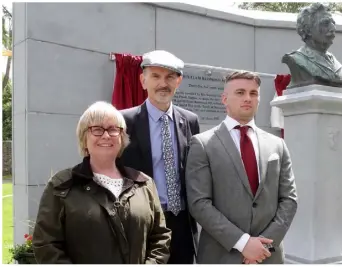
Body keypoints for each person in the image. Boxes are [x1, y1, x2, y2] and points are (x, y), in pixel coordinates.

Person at [32, 101, 171, 264]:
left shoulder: (144, 184)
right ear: (84, 138)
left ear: (122, 138)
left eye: (113, 129)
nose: (106, 135)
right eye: (97, 129)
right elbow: (46, 245)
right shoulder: (62, 186)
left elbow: (160, 237)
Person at [185, 71, 298, 264]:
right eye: (240, 92)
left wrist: (264, 247)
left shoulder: (277, 144)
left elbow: (289, 200)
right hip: (222, 255)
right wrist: (243, 243)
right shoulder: (202, 144)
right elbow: (199, 203)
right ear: (224, 99)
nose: (247, 98)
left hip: (268, 256)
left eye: (253, 93)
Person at [120, 50, 200, 264]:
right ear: (143, 80)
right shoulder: (123, 121)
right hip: (143, 221)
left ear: (178, 81)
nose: (163, 83)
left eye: (170, 77)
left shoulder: (190, 121)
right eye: (155, 76)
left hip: (182, 221)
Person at [282, 2, 342, 88]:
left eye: (333, 23)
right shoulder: (296, 59)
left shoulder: (335, 63)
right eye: (325, 23)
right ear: (308, 30)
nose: (333, 28)